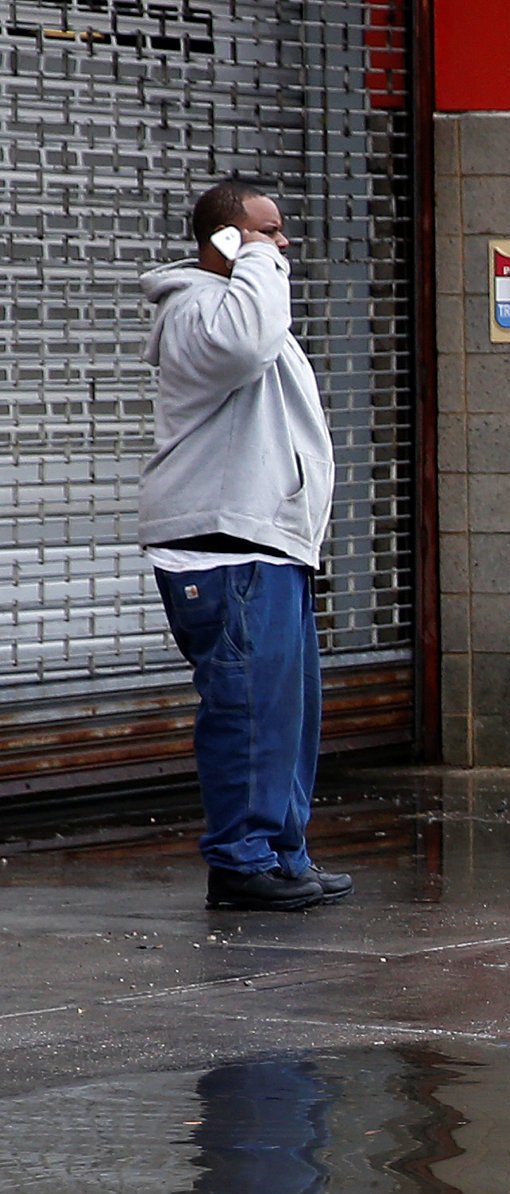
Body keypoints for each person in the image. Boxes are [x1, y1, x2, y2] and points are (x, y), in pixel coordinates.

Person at [140, 177, 354, 912]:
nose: (283, 245)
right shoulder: (201, 309)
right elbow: (243, 350)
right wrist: (254, 263)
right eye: (268, 231)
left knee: (286, 716)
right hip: (223, 552)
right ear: (224, 238)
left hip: (268, 546)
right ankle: (242, 861)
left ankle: (282, 853)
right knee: (248, 715)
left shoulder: (240, 307)